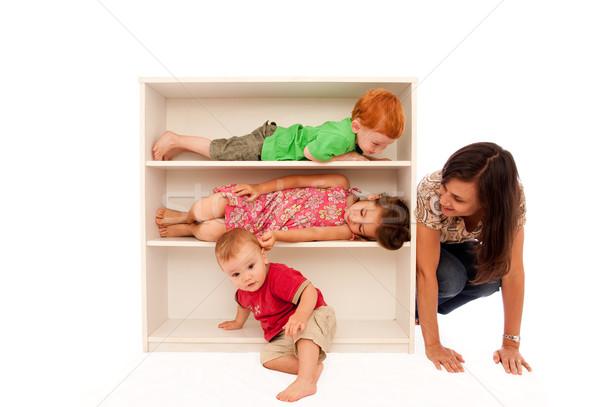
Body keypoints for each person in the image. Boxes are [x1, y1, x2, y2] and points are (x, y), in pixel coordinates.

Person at [415, 142, 532, 375]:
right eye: (446, 188)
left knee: (489, 279)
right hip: (423, 247)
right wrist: (433, 344)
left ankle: (422, 310)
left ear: (489, 202)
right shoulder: (431, 190)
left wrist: (511, 344)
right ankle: (415, 310)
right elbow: (425, 271)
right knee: (450, 279)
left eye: (458, 199)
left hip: (457, 245)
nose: (445, 200)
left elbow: (514, 271)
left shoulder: (512, 199)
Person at [216, 228, 336, 402]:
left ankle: (305, 381)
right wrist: (237, 322)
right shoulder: (244, 292)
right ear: (228, 276)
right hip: (285, 332)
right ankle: (311, 368)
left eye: (250, 266)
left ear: (264, 257)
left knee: (305, 332)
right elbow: (243, 306)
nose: (246, 277)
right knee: (268, 358)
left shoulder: (278, 276)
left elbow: (310, 291)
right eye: (236, 274)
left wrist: (301, 315)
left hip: (314, 313)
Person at [156, 173, 410, 250]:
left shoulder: (344, 232)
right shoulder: (341, 186)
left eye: (361, 228)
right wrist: (258, 186)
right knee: (201, 209)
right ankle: (183, 216)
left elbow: (312, 233)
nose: (354, 219)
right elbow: (297, 181)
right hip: (260, 201)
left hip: (261, 226)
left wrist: (276, 236)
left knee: (210, 232)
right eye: (363, 213)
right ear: (374, 197)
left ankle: (189, 229)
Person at [152, 88, 405, 162]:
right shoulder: (341, 139)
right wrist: (350, 158)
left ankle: (178, 146)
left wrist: (370, 158)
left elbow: (357, 150)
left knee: (224, 150)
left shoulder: (351, 135)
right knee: (222, 152)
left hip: (275, 139)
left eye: (384, 146)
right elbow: (310, 153)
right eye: (376, 143)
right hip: (269, 144)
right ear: (357, 126)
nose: (378, 149)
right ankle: (176, 139)